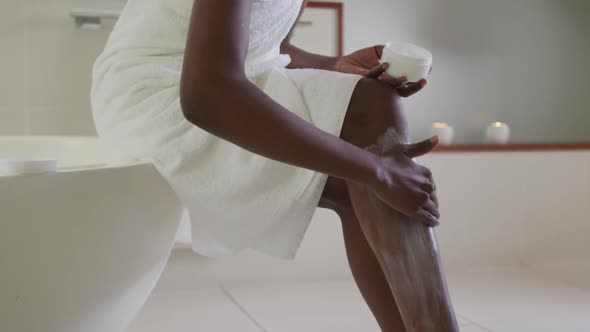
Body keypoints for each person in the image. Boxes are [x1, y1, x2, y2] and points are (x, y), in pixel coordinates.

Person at [91, 0, 459, 330]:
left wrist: (335, 66)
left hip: (233, 79)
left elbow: (266, 42)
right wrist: (374, 170)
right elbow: (207, 94)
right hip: (158, 97)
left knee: (373, 112)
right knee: (370, 137)